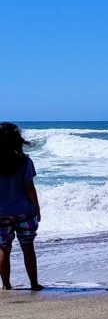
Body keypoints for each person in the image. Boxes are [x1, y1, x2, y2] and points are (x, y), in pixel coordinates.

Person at [0, 122, 43, 291]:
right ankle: (34, 284)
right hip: (24, 211)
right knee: (28, 247)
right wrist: (37, 208)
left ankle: (6, 285)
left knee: (4, 249)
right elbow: (30, 188)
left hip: (1, 213)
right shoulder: (25, 161)